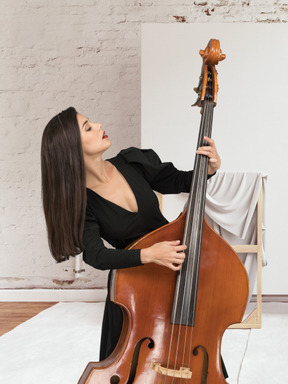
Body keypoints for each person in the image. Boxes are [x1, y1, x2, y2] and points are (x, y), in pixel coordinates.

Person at [41, 106, 226, 376]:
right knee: (134, 366)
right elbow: (96, 255)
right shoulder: (82, 201)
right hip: (133, 285)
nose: (99, 124)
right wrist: (148, 255)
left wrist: (208, 169)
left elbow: (180, 180)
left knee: (191, 343)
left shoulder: (131, 162)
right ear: (71, 147)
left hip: (174, 269)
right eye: (88, 127)